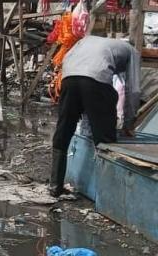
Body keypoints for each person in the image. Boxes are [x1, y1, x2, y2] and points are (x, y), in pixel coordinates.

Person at [50, 35, 140, 197]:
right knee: (105, 137)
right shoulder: (132, 52)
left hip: (69, 76)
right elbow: (133, 90)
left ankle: (54, 186)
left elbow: (70, 59)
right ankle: (106, 195)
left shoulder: (91, 41)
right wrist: (128, 123)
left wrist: (87, 124)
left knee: (64, 129)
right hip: (95, 78)